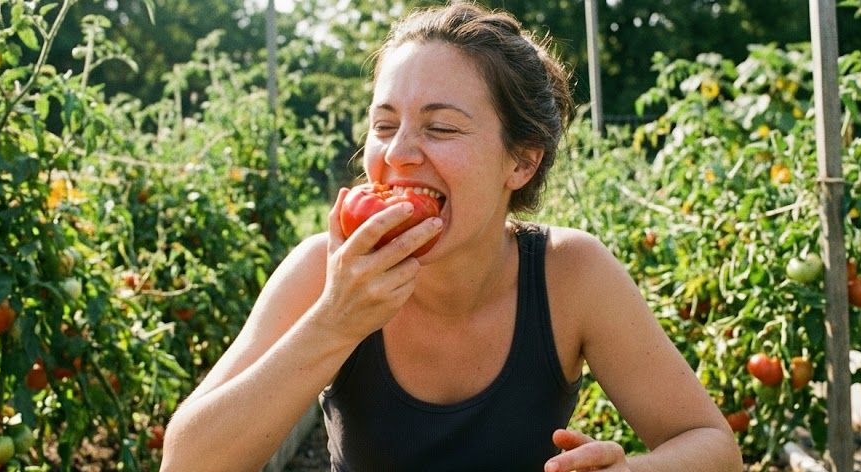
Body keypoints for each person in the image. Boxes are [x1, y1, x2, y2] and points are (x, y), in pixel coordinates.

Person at [161, 3, 743, 472]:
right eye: (384, 125)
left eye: (440, 127)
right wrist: (335, 321)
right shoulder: (325, 270)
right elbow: (186, 462)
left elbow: (712, 444)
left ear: (521, 162)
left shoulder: (571, 274)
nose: (397, 153)